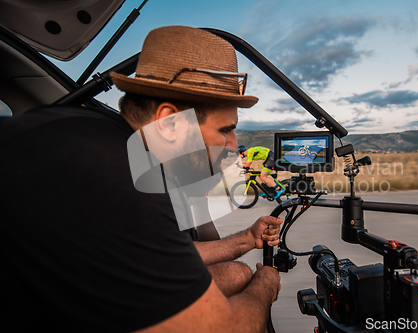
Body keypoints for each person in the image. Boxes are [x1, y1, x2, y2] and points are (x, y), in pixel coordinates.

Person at [0, 26, 281, 332]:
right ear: (169, 124)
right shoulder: (112, 173)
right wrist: (265, 283)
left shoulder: (98, 137)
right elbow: (222, 328)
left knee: (238, 273)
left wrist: (246, 239)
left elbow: (161, 253)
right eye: (225, 129)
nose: (232, 144)